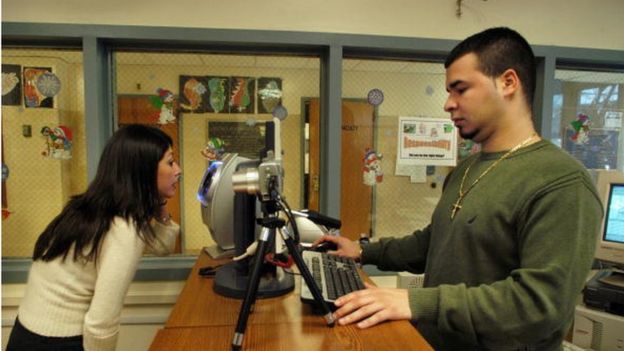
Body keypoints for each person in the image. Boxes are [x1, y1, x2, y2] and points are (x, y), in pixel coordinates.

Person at [315, 27, 602, 350]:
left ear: (508, 82)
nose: (448, 104)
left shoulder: (561, 181)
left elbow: (539, 305)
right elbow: (435, 241)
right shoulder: (466, 169)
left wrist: (416, 302)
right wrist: (363, 250)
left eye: (460, 89)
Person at [6, 124, 182, 351]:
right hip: (58, 342)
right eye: (170, 162)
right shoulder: (123, 229)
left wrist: (159, 202)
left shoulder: (90, 207)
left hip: (25, 334)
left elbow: (163, 246)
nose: (178, 169)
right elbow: (101, 325)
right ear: (143, 170)